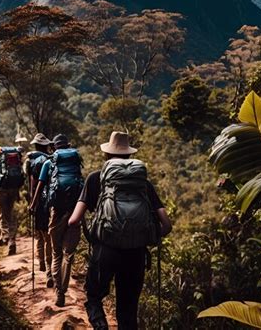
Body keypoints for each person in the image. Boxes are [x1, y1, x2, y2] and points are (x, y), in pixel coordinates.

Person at [68, 131, 172, 330]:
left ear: (106, 155)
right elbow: (166, 225)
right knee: (128, 311)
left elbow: (73, 220)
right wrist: (145, 237)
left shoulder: (94, 179)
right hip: (136, 254)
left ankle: (101, 326)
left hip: (105, 251)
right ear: (130, 156)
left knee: (94, 296)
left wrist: (90, 230)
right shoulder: (143, 184)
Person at [30, 134, 83, 307]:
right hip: (74, 210)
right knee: (69, 254)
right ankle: (64, 289)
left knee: (56, 252)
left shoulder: (49, 162)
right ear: (68, 145)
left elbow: (40, 185)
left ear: (54, 148)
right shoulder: (75, 162)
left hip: (56, 211)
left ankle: (59, 292)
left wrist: (33, 204)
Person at [24, 133, 53, 288]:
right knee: (49, 237)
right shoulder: (52, 160)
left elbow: (33, 185)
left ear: (35, 146)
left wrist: (32, 203)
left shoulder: (32, 162)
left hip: (39, 202)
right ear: (46, 145)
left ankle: (42, 263)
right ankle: (49, 271)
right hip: (51, 202)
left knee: (40, 234)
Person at [0, 146, 25, 255]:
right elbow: (21, 176)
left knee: (2, 214)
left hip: (2, 190)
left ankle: (5, 238)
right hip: (14, 190)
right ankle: (12, 240)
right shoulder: (17, 161)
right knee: (10, 213)